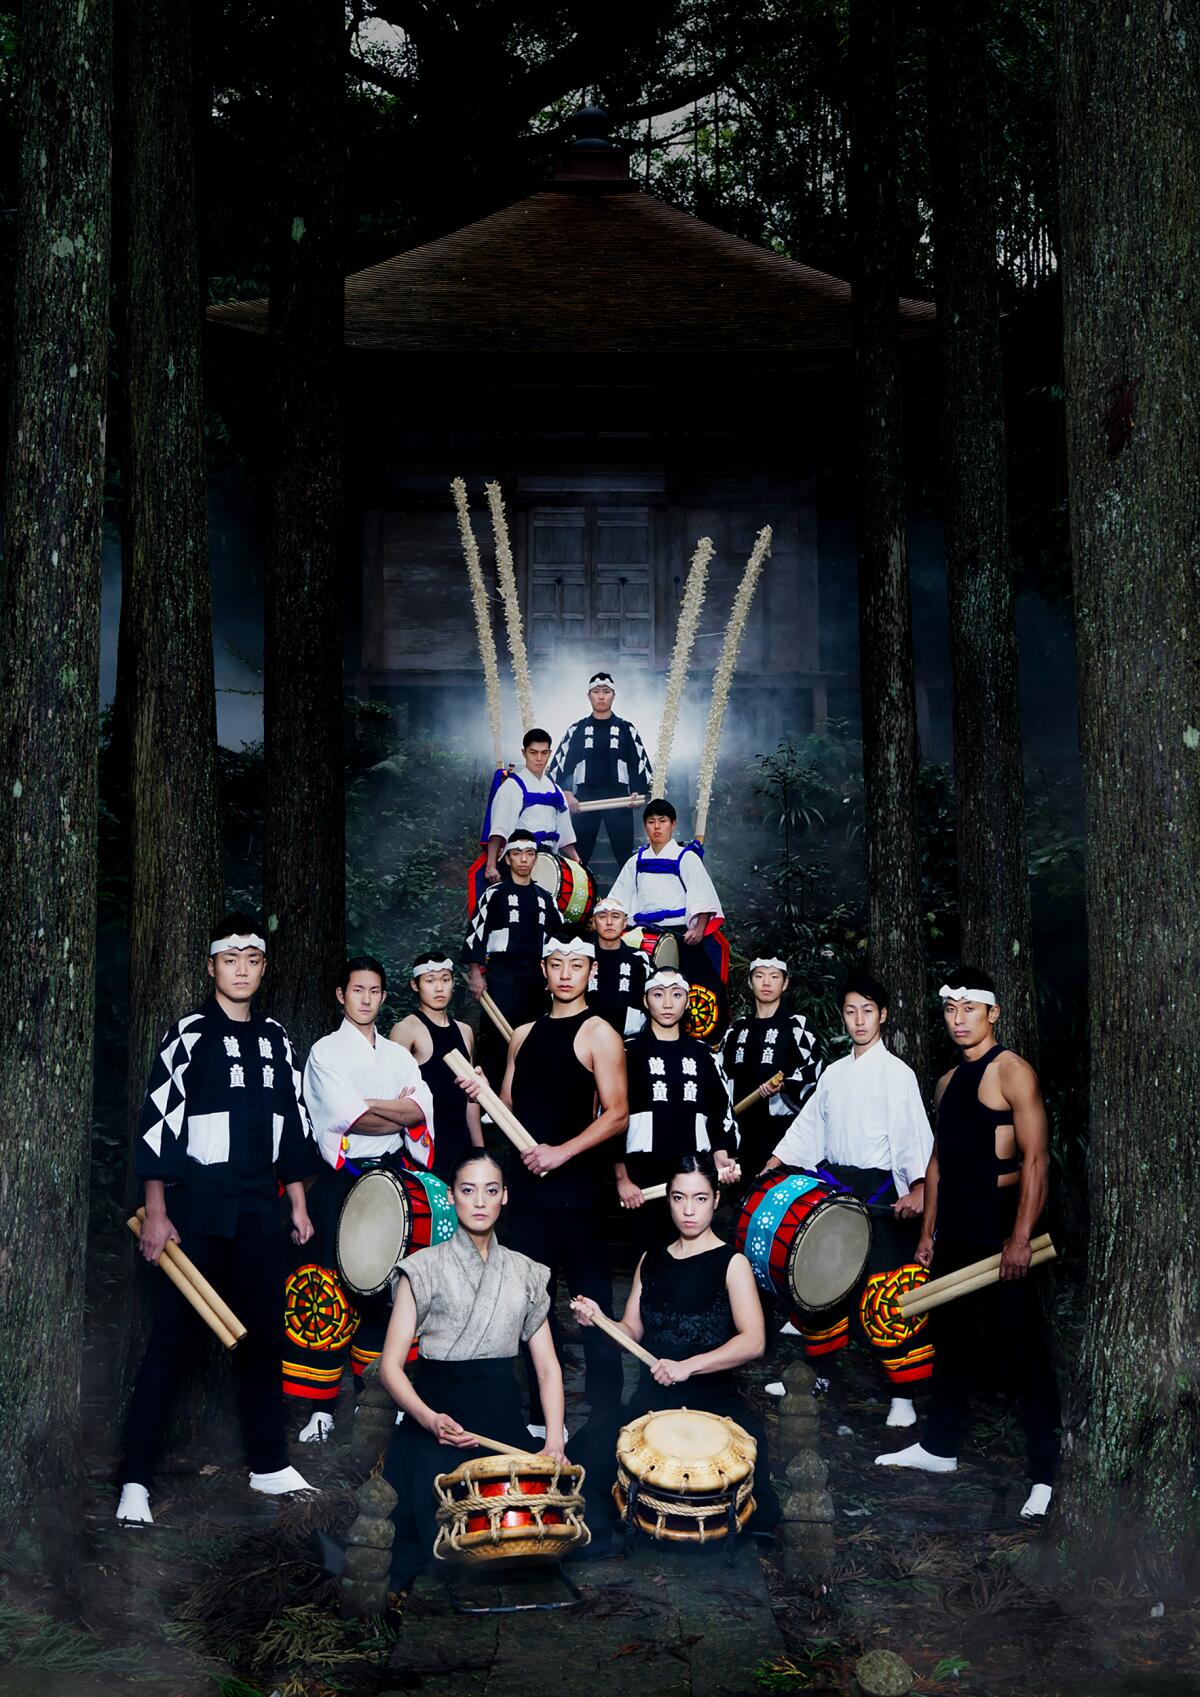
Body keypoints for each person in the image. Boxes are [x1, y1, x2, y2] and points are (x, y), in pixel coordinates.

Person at [116, 912, 320, 1524]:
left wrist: (300, 1204)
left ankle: (267, 1463)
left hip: (261, 1211)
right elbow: (157, 1124)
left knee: (264, 1338)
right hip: (193, 1214)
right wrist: (155, 1211)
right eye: (229, 960)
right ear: (211, 967)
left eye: (252, 960)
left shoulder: (279, 1039)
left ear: (262, 968)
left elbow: (295, 1123)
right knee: (170, 1343)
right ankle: (134, 1482)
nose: (241, 970)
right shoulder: (187, 1035)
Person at [875, 969, 1061, 1519]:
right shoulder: (947, 1081)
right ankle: (939, 1447)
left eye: (969, 1010)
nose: (958, 1020)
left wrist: (1020, 1237)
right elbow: (936, 1164)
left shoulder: (1013, 1073)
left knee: (1023, 1348)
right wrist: (929, 1234)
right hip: (955, 1224)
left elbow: (1036, 1160)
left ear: (992, 1014)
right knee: (950, 1338)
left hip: (1001, 1223)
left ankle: (1044, 1475)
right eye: (951, 1011)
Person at [570, 1152, 779, 1558]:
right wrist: (598, 1320)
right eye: (679, 1198)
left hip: (713, 1402)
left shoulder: (731, 1263)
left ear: (716, 1200)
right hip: (652, 1402)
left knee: (748, 1482)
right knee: (585, 1453)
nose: (688, 1210)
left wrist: (687, 1368)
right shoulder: (651, 1260)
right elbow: (632, 1330)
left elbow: (753, 1341)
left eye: (700, 1199)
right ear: (666, 1200)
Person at [379, 1150, 569, 1593]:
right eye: (468, 1191)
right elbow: (390, 1367)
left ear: (505, 1196)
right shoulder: (421, 1269)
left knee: (530, 1536)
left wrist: (554, 1440)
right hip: (438, 1420)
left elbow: (547, 1367)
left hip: (501, 1422)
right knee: (441, 1544)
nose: (479, 1202)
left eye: (490, 1190)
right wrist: (430, 1420)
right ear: (451, 1197)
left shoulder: (525, 1272)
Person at [460, 937, 628, 1425]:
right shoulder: (522, 1035)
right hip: (529, 1194)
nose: (565, 973)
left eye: (576, 965)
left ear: (591, 971)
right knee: (531, 1306)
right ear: (544, 968)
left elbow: (617, 1115)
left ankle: (605, 1414)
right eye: (556, 964)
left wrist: (563, 1151)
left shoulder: (601, 1033)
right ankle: (539, 1413)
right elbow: (509, 1109)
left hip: (580, 1193)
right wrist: (482, 1092)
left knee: (591, 1304)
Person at [764, 972, 934, 1427]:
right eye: (851, 1011)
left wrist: (917, 1186)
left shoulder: (898, 1074)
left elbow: (913, 1136)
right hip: (834, 1191)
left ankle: (904, 1395)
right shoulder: (834, 1074)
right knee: (819, 1282)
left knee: (887, 1291)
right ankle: (818, 1374)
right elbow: (809, 1129)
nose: (859, 1020)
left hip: (879, 1193)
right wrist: (778, 1160)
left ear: (883, 1015)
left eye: (867, 1011)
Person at [284, 956, 436, 1442]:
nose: (366, 999)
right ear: (340, 995)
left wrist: (368, 1107)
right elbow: (349, 1120)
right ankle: (320, 1406)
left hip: (394, 1178)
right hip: (343, 1180)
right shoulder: (325, 1053)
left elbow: (420, 1111)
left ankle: (380, 1395)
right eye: (357, 990)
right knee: (326, 1288)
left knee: (388, 1289)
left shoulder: (398, 1055)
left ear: (384, 997)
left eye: (374, 991)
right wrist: (392, 1114)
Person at [616, 969, 741, 1253]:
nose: (668, 1003)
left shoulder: (703, 1053)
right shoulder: (628, 1053)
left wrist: (722, 1153)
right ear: (646, 1001)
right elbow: (611, 1117)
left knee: (690, 1256)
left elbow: (721, 1108)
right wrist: (622, 1178)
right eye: (658, 995)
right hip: (643, 1177)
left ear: (687, 1001)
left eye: (676, 995)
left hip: (692, 1173)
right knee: (647, 1258)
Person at [607, 798, 729, 1037]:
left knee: (702, 987)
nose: (656, 827)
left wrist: (699, 929)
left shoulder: (686, 857)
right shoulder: (636, 861)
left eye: (662, 821)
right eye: (651, 822)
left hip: (680, 933)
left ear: (673, 824)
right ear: (645, 827)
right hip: (642, 934)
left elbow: (702, 895)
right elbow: (618, 899)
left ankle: (704, 1040)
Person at [463, 828, 564, 1088]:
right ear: (507, 858)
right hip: (501, 979)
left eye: (529, 853)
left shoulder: (546, 899)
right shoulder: (494, 894)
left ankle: (526, 1095)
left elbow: (559, 939)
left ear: (535, 858)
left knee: (533, 1037)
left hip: (536, 981)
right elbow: (476, 934)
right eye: (517, 853)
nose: (523, 859)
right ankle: (489, 1099)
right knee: (496, 1038)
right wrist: (476, 974)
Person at [720, 955, 822, 1182]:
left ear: (785, 983)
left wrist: (785, 1085)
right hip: (740, 1136)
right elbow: (721, 1078)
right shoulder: (736, 1029)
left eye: (774, 977)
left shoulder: (797, 1026)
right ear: (750, 981)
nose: (766, 983)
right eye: (759, 976)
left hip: (782, 1138)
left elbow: (814, 1072)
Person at [389, 951, 483, 1183]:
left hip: (459, 1142)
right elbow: (393, 1095)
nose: (439, 988)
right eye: (430, 981)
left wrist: (480, 1150)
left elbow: (470, 1099)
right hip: (422, 1145)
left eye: (445, 979)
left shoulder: (465, 1031)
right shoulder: (405, 1029)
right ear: (415, 984)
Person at [549, 671, 653, 868]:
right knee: (578, 857)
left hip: (619, 798)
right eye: (596, 691)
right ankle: (578, 896)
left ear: (613, 695)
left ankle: (631, 898)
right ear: (589, 696)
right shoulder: (577, 730)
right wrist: (568, 793)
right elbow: (562, 764)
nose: (601, 696)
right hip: (585, 799)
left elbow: (638, 762)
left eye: (606, 691)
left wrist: (637, 793)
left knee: (625, 856)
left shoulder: (626, 729)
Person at [482, 727, 580, 884]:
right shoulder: (511, 787)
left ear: (550, 753)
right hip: (519, 858)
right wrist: (491, 865)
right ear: (524, 752)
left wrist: (575, 858)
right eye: (533, 752)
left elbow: (564, 831)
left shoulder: (556, 790)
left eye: (544, 753)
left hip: (549, 862)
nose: (539, 758)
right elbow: (498, 830)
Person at [588, 893, 649, 1037]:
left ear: (625, 922)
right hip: (586, 1038)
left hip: (630, 1041)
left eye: (615, 916)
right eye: (602, 916)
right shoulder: (582, 958)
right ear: (594, 922)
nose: (609, 922)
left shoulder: (640, 959)